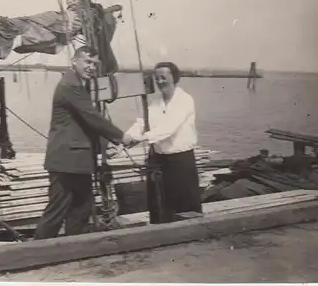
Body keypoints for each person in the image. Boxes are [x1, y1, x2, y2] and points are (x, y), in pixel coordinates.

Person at [33, 45, 134, 239]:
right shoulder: (70, 86)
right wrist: (121, 137)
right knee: (58, 210)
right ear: (74, 61)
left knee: (81, 209)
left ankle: (73, 248)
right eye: (87, 62)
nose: (91, 67)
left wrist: (106, 145)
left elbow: (85, 123)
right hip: (67, 161)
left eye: (95, 64)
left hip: (76, 160)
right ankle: (33, 251)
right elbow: (92, 117)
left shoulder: (77, 85)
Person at [125, 61, 203, 222]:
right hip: (158, 160)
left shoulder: (185, 100)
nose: (160, 82)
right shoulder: (155, 102)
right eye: (157, 78)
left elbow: (169, 128)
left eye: (163, 77)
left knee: (185, 205)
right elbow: (142, 122)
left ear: (174, 78)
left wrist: (142, 138)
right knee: (159, 204)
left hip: (180, 161)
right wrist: (127, 137)